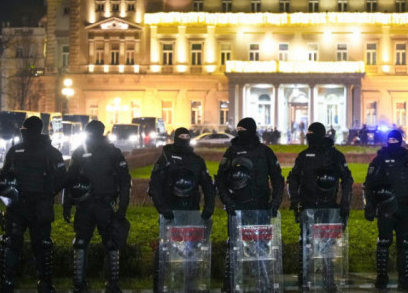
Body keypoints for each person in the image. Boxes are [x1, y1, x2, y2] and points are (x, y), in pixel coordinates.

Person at [0, 116, 66, 293]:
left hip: (23, 206)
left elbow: (3, 177)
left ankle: (10, 283)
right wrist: (49, 193)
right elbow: (62, 178)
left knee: (20, 245)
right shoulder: (51, 152)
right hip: (33, 206)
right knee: (39, 246)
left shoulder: (18, 150)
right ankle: (43, 284)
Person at [216, 117, 284, 293]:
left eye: (244, 130)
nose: (241, 134)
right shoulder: (231, 152)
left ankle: (264, 282)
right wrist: (228, 202)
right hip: (237, 209)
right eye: (239, 130)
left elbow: (277, 179)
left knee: (262, 247)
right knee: (235, 247)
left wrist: (275, 202)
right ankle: (230, 283)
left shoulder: (265, 152)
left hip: (261, 208)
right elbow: (221, 180)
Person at [62, 120, 132, 293]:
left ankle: (79, 284)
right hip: (104, 205)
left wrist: (67, 205)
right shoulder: (113, 152)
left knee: (81, 242)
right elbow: (124, 182)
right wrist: (122, 208)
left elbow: (69, 181)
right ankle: (112, 285)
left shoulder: (80, 151)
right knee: (111, 243)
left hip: (86, 205)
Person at [148, 127, 215, 292]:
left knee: (191, 252)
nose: (184, 139)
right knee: (165, 251)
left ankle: (190, 285)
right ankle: (161, 285)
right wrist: (163, 209)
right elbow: (155, 186)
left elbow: (207, 185)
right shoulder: (165, 159)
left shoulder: (196, 160)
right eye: (181, 136)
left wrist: (209, 208)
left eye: (187, 136)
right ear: (175, 138)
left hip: (192, 212)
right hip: (170, 213)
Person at [287, 122, 353, 290]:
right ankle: (305, 277)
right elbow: (293, 178)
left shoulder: (334, 155)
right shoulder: (304, 156)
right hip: (308, 206)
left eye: (311, 133)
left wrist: (344, 203)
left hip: (329, 207)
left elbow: (347, 180)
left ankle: (328, 278)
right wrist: (295, 199)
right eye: (307, 133)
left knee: (328, 244)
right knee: (305, 243)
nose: (308, 136)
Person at [363, 130, 408, 293]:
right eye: (389, 139)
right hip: (385, 208)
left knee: (405, 244)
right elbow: (369, 185)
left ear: (400, 141)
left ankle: (404, 279)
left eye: (394, 140)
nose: (392, 142)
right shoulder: (379, 161)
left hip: (405, 207)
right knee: (384, 242)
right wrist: (370, 206)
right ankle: (382, 277)